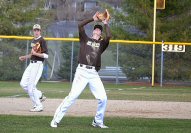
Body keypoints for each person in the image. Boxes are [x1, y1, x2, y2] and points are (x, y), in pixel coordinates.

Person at [50, 10, 111, 128]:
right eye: (96, 28)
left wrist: (105, 23)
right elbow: (80, 25)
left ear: (100, 33)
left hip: (93, 73)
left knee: (103, 98)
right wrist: (93, 19)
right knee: (72, 96)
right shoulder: (85, 39)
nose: (97, 30)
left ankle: (97, 121)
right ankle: (56, 120)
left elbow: (109, 36)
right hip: (82, 72)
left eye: (99, 29)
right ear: (93, 31)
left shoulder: (102, 44)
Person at [19, 24, 48, 112]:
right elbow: (33, 54)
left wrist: (35, 54)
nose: (36, 32)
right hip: (31, 64)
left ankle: (38, 105)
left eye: (37, 30)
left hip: (38, 65)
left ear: (40, 31)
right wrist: (25, 57)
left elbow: (46, 56)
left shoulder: (42, 40)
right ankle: (39, 95)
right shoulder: (33, 40)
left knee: (31, 87)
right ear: (33, 31)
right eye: (35, 30)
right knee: (23, 83)